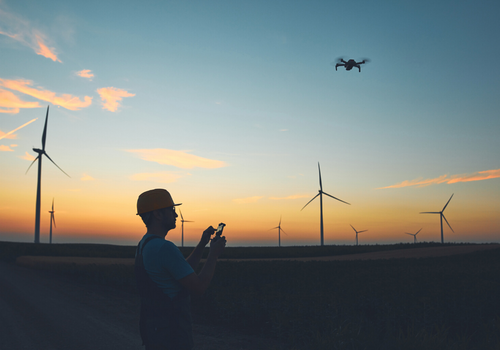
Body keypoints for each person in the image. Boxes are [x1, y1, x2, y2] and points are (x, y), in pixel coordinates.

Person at [135, 188, 226, 350]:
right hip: (172, 336)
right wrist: (214, 254)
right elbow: (198, 287)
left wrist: (202, 244)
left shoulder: (144, 245)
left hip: (155, 333)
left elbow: (183, 272)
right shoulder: (164, 248)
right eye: (172, 210)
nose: (176, 215)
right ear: (157, 214)